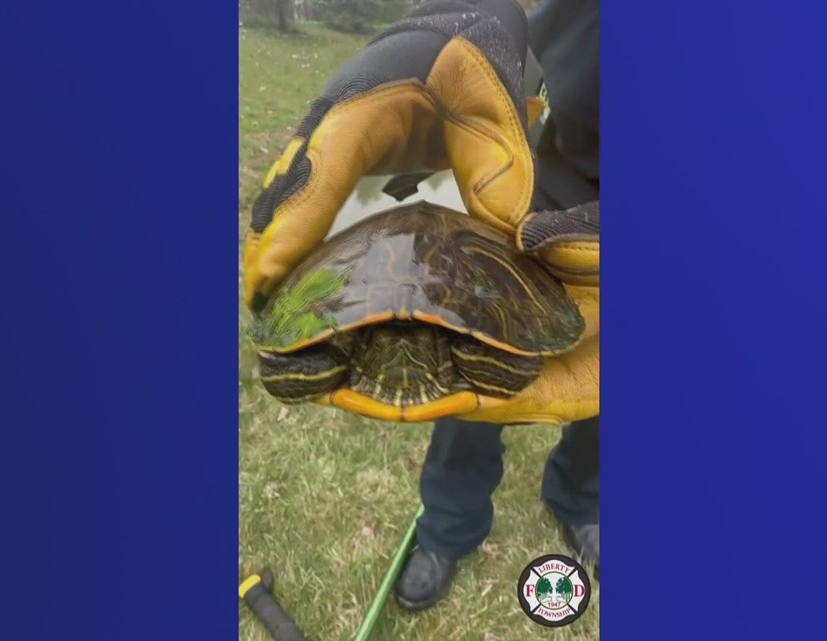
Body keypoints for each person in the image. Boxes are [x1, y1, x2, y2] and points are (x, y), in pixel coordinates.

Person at [243, 0, 600, 612]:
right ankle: (447, 531)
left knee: (599, 378)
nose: (403, 345)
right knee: (474, 378)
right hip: (547, 173)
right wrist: (471, 18)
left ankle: (583, 500)